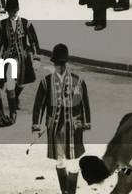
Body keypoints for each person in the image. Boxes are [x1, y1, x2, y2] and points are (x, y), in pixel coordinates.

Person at [32, 43, 91, 194]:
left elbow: (85, 103)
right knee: (60, 161)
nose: (60, 66)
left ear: (66, 62)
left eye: (62, 63)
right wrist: (36, 126)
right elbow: (38, 105)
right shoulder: (46, 82)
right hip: (55, 128)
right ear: (54, 63)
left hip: (73, 128)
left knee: (74, 163)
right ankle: (65, 191)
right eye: (58, 63)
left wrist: (86, 123)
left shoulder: (78, 81)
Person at [0, 0, 40, 118]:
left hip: (23, 59)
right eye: (11, 12)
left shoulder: (26, 23)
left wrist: (36, 58)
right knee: (9, 82)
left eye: (15, 11)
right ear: (8, 11)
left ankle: (16, 97)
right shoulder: (2, 24)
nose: (13, 14)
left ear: (17, 10)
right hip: (8, 58)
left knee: (21, 84)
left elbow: (34, 41)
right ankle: (12, 110)